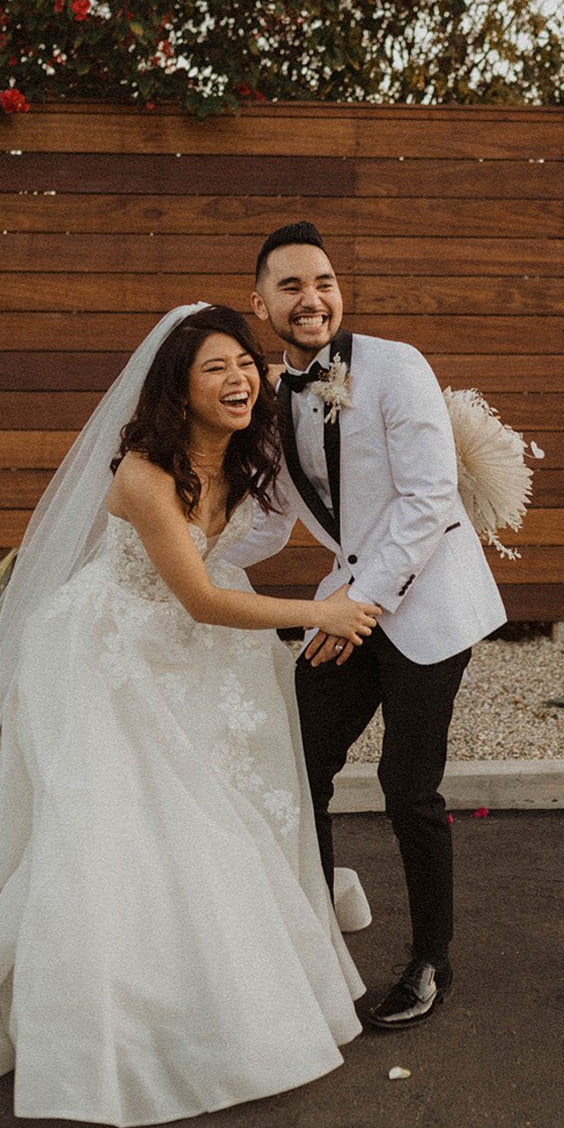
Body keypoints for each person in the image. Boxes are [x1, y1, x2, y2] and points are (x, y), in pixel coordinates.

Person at [0, 304, 381, 1128]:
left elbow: (259, 548)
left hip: (193, 652)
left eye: (245, 364)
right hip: (106, 656)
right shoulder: (145, 475)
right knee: (120, 826)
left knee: (214, 814)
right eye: (214, 368)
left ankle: (201, 974)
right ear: (177, 389)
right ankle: (108, 1012)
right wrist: (320, 613)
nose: (239, 380)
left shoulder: (250, 458)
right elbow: (200, 596)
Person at [226, 225, 507, 1029]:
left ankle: (430, 962)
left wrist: (358, 609)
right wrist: (185, 552)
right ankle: (313, 944)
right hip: (349, 601)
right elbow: (277, 519)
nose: (310, 298)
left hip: (429, 601)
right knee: (297, 766)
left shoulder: (396, 364)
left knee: (407, 787)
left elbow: (427, 500)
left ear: (337, 289)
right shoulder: (275, 399)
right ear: (261, 303)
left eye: (322, 281)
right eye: (290, 286)